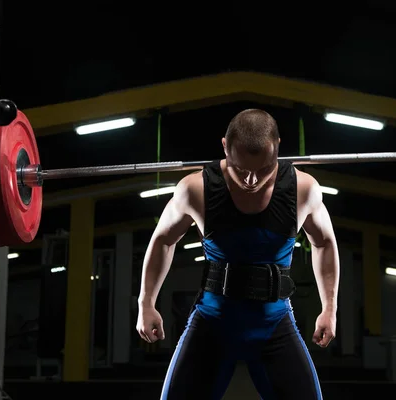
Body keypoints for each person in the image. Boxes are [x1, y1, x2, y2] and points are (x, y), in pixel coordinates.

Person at [136, 109, 340, 400]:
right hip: (213, 322)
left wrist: (329, 308)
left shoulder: (304, 189)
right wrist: (146, 303)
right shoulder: (195, 189)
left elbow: (324, 243)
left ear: (277, 148)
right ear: (224, 147)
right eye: (241, 170)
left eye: (263, 169)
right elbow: (162, 241)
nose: (252, 180)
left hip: (275, 324)